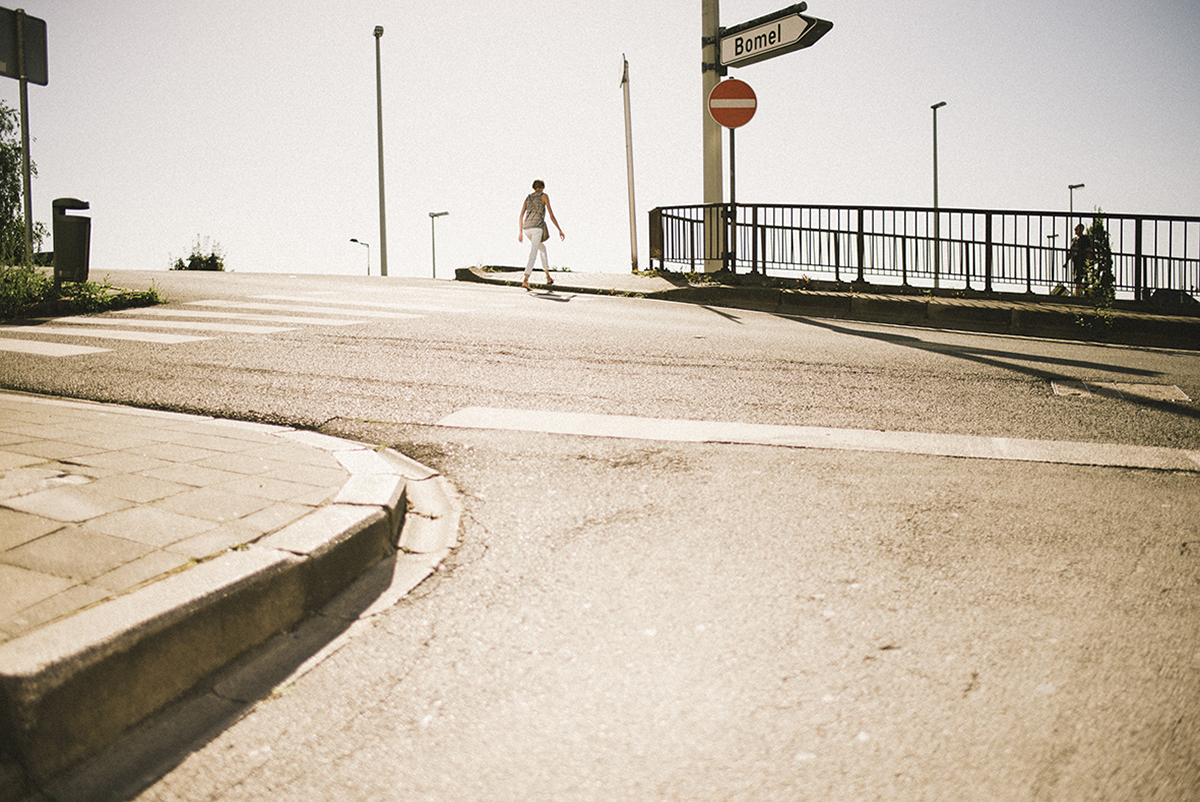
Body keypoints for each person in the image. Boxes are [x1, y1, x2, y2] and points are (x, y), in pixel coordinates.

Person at [518, 179, 564, 290]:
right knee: (533, 253)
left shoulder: (528, 198)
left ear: (533, 187)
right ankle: (525, 279)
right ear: (543, 187)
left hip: (527, 229)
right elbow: (551, 215)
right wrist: (559, 229)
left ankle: (548, 277)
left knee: (542, 249)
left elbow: (521, 215)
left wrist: (520, 232)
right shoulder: (544, 196)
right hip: (536, 229)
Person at [1065, 223, 1091, 297]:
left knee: (1078, 279)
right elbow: (1070, 251)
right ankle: (1086, 291)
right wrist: (1066, 261)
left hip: (1082, 261)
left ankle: (1078, 295)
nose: (1075, 231)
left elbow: (1088, 250)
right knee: (1077, 279)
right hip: (1075, 261)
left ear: (1081, 230)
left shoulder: (1085, 239)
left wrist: (1087, 262)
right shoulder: (1074, 240)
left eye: (1077, 229)